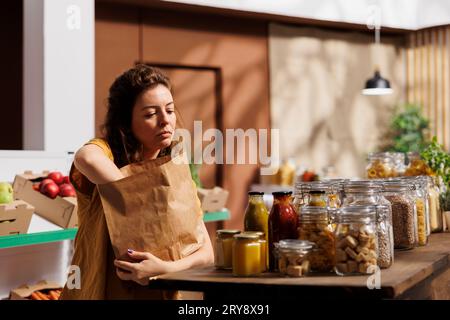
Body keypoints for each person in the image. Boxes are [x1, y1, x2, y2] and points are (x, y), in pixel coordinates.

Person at [60, 65, 214, 300]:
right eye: (151, 114)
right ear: (125, 123)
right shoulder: (107, 153)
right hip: (97, 291)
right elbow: (85, 157)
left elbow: (206, 254)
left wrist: (162, 269)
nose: (165, 121)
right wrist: (138, 196)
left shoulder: (174, 173)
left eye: (170, 110)